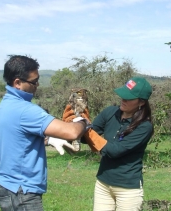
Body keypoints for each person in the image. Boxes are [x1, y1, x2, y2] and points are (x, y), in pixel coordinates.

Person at [0, 55, 88, 211]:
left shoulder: (8, 103)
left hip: (8, 184)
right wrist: (83, 120)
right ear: (17, 83)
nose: (37, 85)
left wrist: (48, 139)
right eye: (33, 81)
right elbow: (71, 132)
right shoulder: (25, 110)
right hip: (22, 191)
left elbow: (19, 138)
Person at [63, 77, 153, 211]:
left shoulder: (144, 127)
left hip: (127, 189)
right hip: (103, 183)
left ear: (141, 102)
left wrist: (85, 126)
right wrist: (73, 126)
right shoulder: (111, 112)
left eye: (128, 98)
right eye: (123, 95)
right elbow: (86, 138)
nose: (123, 99)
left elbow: (114, 150)